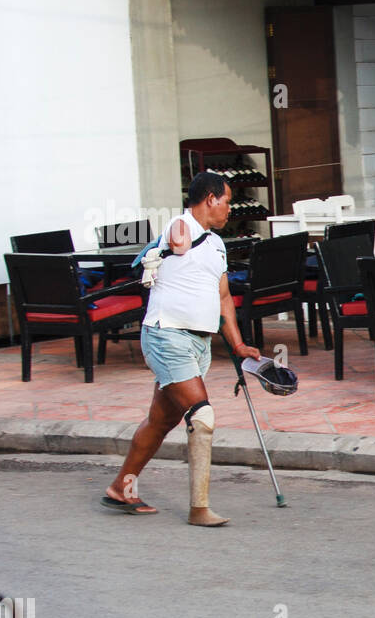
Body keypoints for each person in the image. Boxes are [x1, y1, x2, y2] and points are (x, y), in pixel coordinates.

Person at [101, 171, 261, 525]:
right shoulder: (180, 224)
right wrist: (175, 246)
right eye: (227, 201)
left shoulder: (217, 245)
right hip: (166, 336)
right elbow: (177, 239)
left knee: (161, 420)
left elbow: (223, 298)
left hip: (197, 343)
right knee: (202, 417)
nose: (230, 208)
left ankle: (119, 488)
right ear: (209, 199)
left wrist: (237, 344)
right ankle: (199, 509)